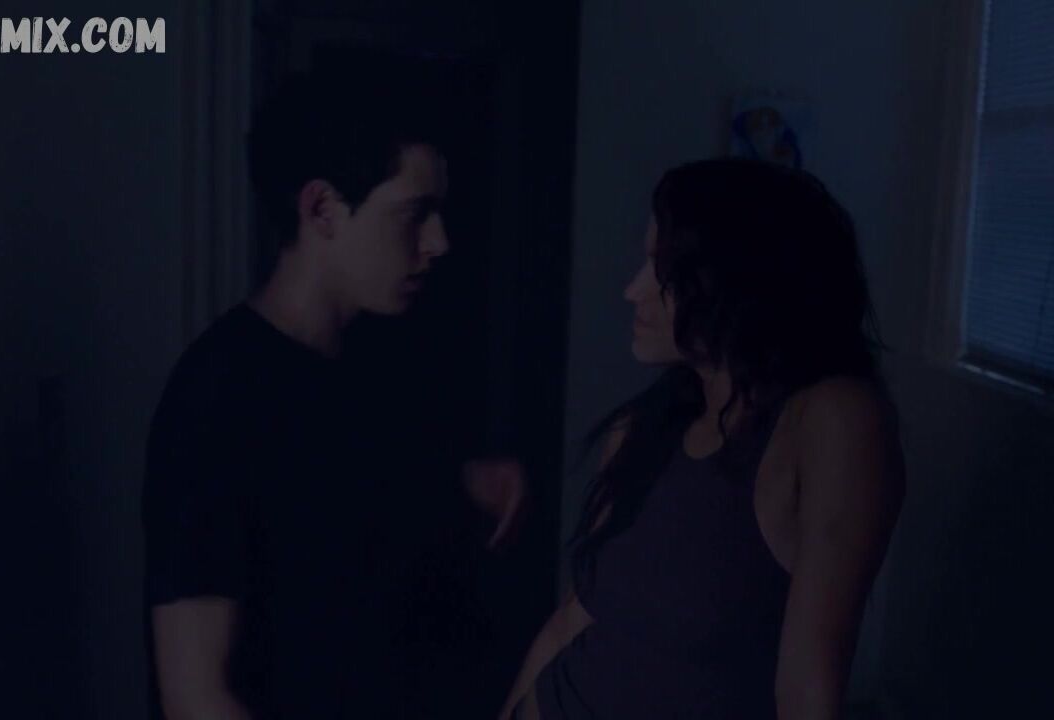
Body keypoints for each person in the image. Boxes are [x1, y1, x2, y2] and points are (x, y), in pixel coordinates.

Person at [142, 73, 526, 720]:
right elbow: (196, 697)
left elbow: (346, 512)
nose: (439, 242)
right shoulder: (218, 398)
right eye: (414, 214)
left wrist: (467, 485)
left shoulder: (385, 361)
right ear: (321, 209)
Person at [499, 157, 906, 719]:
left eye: (663, 270)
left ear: (738, 280)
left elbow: (807, 691)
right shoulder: (638, 431)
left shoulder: (829, 419)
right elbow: (575, 617)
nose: (633, 291)